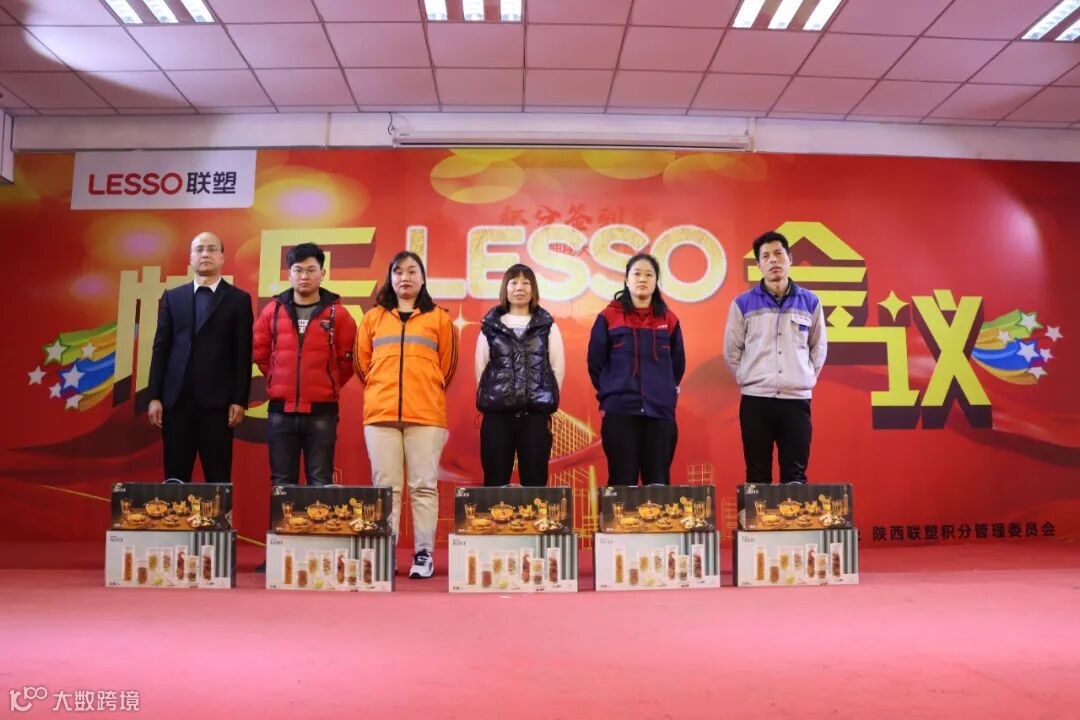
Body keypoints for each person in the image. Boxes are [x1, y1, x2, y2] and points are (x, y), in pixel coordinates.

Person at [354, 251, 458, 579]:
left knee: (424, 486)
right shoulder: (372, 318)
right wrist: (381, 388)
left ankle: (423, 553)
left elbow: (447, 367)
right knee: (386, 488)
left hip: (426, 414)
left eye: (412, 271)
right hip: (380, 414)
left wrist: (425, 388)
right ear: (390, 278)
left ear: (423, 278)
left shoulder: (439, 319)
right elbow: (361, 365)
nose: (405, 278)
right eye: (398, 272)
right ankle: (386, 551)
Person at [147, 232, 253, 483]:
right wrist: (154, 396)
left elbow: (242, 353)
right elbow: (161, 348)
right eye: (199, 249)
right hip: (176, 403)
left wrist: (239, 399)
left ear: (222, 257)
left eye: (212, 249)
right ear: (190, 258)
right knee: (175, 478)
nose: (205, 254)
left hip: (218, 406)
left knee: (218, 479)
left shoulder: (238, 299)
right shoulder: (173, 297)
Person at [723, 231, 827, 485]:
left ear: (790, 258)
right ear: (758, 265)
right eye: (766, 256)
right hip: (756, 401)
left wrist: (804, 377)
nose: (773, 260)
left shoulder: (811, 302)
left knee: (795, 476)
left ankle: (793, 514)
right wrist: (747, 377)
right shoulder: (742, 304)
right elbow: (732, 351)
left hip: (796, 401)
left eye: (779, 254)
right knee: (757, 475)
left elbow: (818, 347)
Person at [252, 242, 357, 486]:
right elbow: (261, 354)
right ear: (289, 274)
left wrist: (326, 382)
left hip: (322, 413)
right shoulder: (272, 312)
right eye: (298, 270)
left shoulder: (338, 315)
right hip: (281, 413)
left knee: (320, 482)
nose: (304, 276)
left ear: (323, 273)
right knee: (282, 484)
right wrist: (277, 378)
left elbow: (347, 361)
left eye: (311, 270)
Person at [587, 253, 685, 486]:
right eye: (637, 274)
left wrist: (663, 390)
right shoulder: (608, 317)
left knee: (658, 485)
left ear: (656, 281)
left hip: (659, 414)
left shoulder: (669, 319)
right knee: (622, 484)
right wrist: (614, 390)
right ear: (626, 280)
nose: (642, 279)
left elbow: (677, 365)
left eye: (649, 274)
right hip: (620, 413)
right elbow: (596, 363)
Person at [475, 264, 565, 487]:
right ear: (505, 288)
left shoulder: (547, 326)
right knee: (495, 484)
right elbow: (482, 369)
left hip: (534, 418)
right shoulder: (490, 326)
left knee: (535, 485)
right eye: (513, 282)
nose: (519, 288)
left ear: (533, 289)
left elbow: (556, 368)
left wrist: (540, 398)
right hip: (497, 418)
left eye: (526, 283)